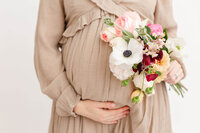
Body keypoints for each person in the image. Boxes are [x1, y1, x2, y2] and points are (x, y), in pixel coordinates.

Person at [34, 0, 186, 133]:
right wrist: (74, 104)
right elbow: (45, 46)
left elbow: (167, 34)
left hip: (140, 110)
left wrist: (174, 64)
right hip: (79, 116)